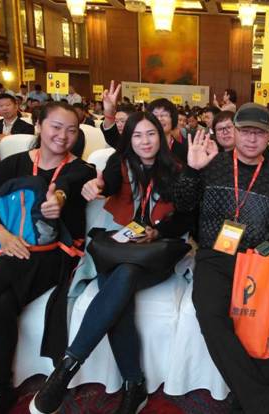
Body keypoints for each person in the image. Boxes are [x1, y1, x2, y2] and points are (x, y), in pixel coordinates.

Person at [29, 111, 193, 414]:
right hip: (118, 249)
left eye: (151, 134)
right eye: (137, 135)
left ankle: (67, 367)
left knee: (124, 276)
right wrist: (96, 187)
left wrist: (157, 231)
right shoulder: (120, 163)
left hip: (156, 253)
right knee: (121, 297)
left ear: (161, 136)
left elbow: (186, 216)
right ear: (129, 139)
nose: (145, 141)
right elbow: (107, 183)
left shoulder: (177, 169)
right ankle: (134, 384)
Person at [174, 103, 269, 414]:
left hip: (255, 259)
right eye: (245, 131)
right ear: (234, 133)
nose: (251, 139)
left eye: (259, 133)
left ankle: (247, 401)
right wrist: (192, 170)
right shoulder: (212, 164)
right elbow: (183, 205)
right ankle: (262, 404)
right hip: (215, 255)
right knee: (210, 312)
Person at [0, 102, 96, 414]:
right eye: (56, 127)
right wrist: (1, 234)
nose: (63, 135)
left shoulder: (82, 170)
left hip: (55, 255)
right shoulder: (13, 164)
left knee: (1, 270)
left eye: (71, 130)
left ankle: (2, 388)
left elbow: (68, 184)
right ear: (38, 126)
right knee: (2, 302)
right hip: (10, 246)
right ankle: (2, 389)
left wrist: (58, 199)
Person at [148, 98, 187, 164]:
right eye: (155, 115)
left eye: (164, 115)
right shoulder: (144, 147)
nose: (159, 119)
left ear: (173, 118)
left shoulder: (184, 150)